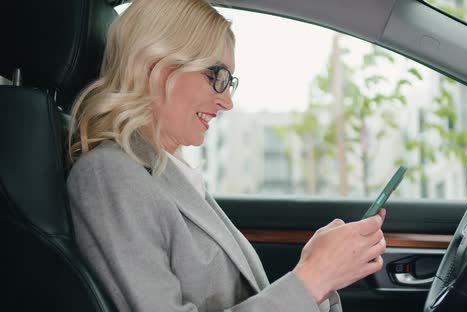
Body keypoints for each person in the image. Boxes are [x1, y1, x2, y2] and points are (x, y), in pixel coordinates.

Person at [66, 0, 387, 311]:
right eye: (216, 76)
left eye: (228, 82)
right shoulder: (110, 174)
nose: (227, 102)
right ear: (158, 66)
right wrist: (312, 278)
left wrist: (319, 273)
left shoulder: (169, 173)